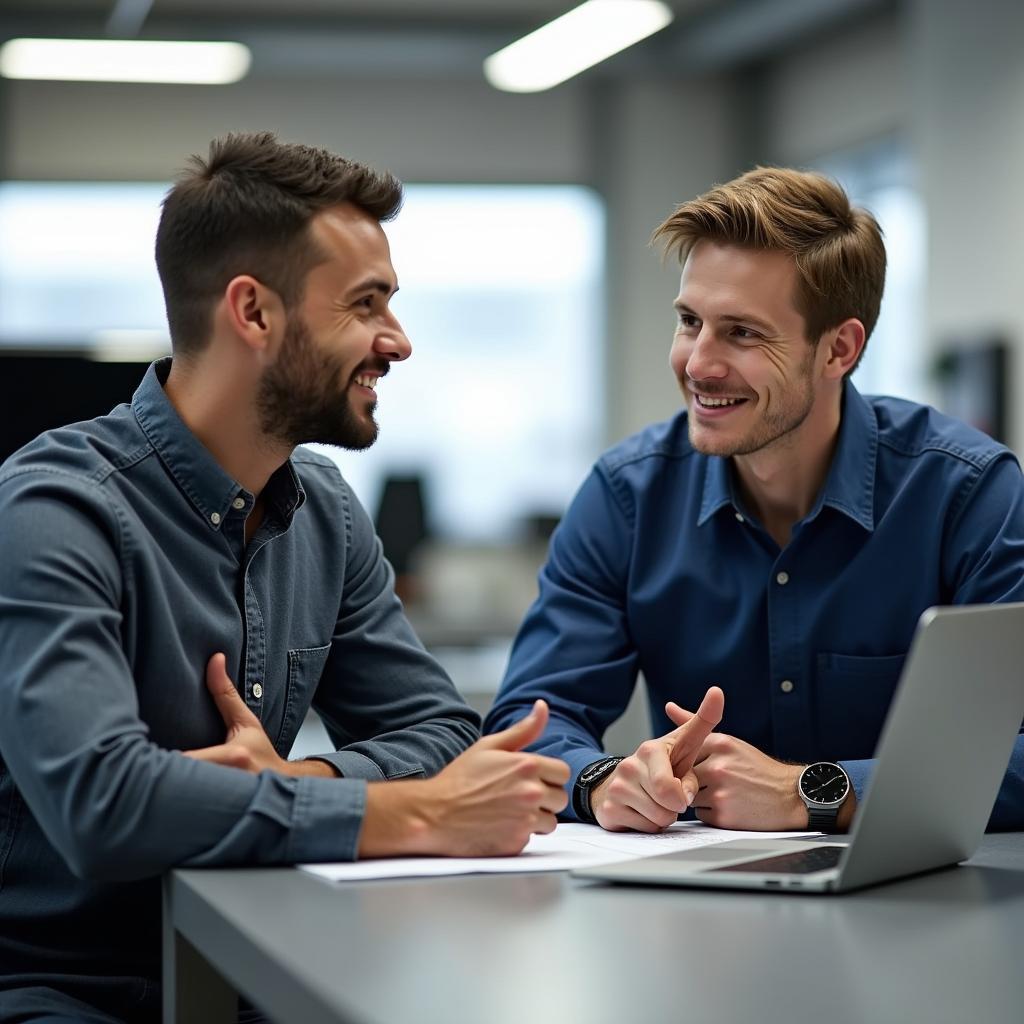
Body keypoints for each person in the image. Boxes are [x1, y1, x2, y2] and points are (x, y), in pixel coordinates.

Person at [0, 132, 583, 1023]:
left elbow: (436, 726)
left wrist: (303, 781)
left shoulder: (324, 510)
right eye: (366, 304)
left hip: (264, 959)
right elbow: (101, 801)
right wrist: (415, 815)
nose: (399, 341)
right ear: (255, 313)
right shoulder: (52, 510)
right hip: (71, 991)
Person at [485, 166, 1024, 837]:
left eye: (742, 333)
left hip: (931, 910)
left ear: (840, 349)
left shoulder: (967, 494)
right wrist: (603, 783)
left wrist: (816, 792)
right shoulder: (626, 497)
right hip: (697, 921)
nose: (698, 364)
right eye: (690, 321)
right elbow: (529, 723)